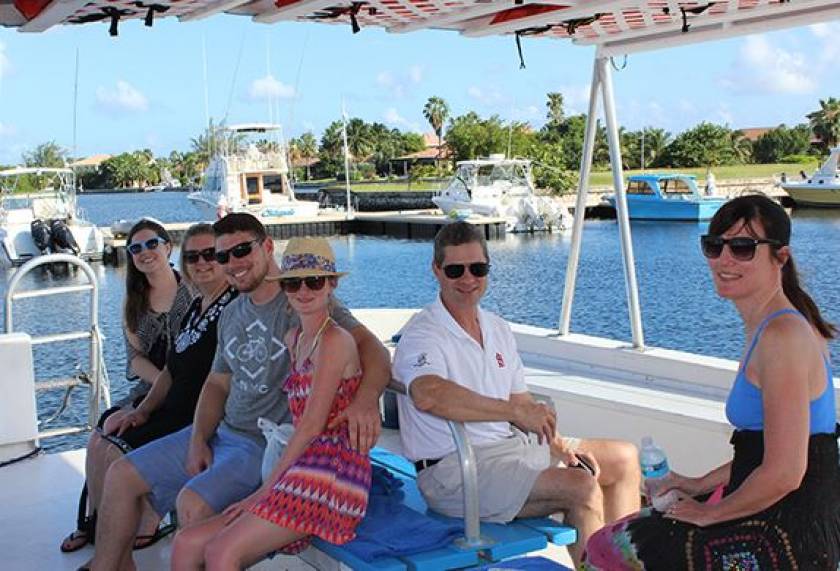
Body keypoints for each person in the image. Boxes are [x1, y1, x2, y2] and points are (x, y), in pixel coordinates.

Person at [86, 213, 389, 571]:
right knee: (121, 474)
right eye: (222, 256)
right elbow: (217, 383)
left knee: (192, 505)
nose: (232, 263)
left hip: (262, 442)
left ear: (268, 247)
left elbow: (375, 352)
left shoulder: (308, 302)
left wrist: (367, 399)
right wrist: (199, 437)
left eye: (242, 250)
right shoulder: (233, 313)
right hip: (223, 430)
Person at [583, 194, 840, 570]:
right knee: (617, 539)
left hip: (791, 532)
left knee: (613, 549)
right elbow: (761, 450)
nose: (724, 260)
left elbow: (785, 472)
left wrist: (710, 513)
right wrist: (698, 484)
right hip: (781, 510)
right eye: (714, 246)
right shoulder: (770, 325)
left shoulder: (783, 336)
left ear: (780, 257)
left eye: (742, 247)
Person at [392, 221, 641, 566]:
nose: (468, 279)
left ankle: (622, 565)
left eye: (478, 268)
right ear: (436, 270)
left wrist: (560, 448)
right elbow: (429, 394)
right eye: (455, 270)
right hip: (455, 472)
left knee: (624, 458)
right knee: (579, 488)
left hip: (512, 452)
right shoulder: (424, 333)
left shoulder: (497, 328)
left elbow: (521, 403)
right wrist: (513, 413)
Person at [171, 237, 369, 570]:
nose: (303, 291)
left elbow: (310, 426)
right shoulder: (295, 339)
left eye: (314, 281)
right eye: (293, 283)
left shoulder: (335, 340)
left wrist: (264, 491)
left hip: (333, 472)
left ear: (331, 284)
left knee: (221, 552)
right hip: (300, 466)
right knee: (186, 542)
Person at [60, 217, 193, 553]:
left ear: (168, 246)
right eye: (136, 248)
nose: (145, 252)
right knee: (99, 435)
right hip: (149, 388)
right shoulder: (133, 301)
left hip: (188, 388)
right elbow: (134, 358)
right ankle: (96, 522)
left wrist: (169, 384)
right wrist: (158, 382)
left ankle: (134, 521)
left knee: (118, 442)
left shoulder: (192, 291)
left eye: (152, 244)